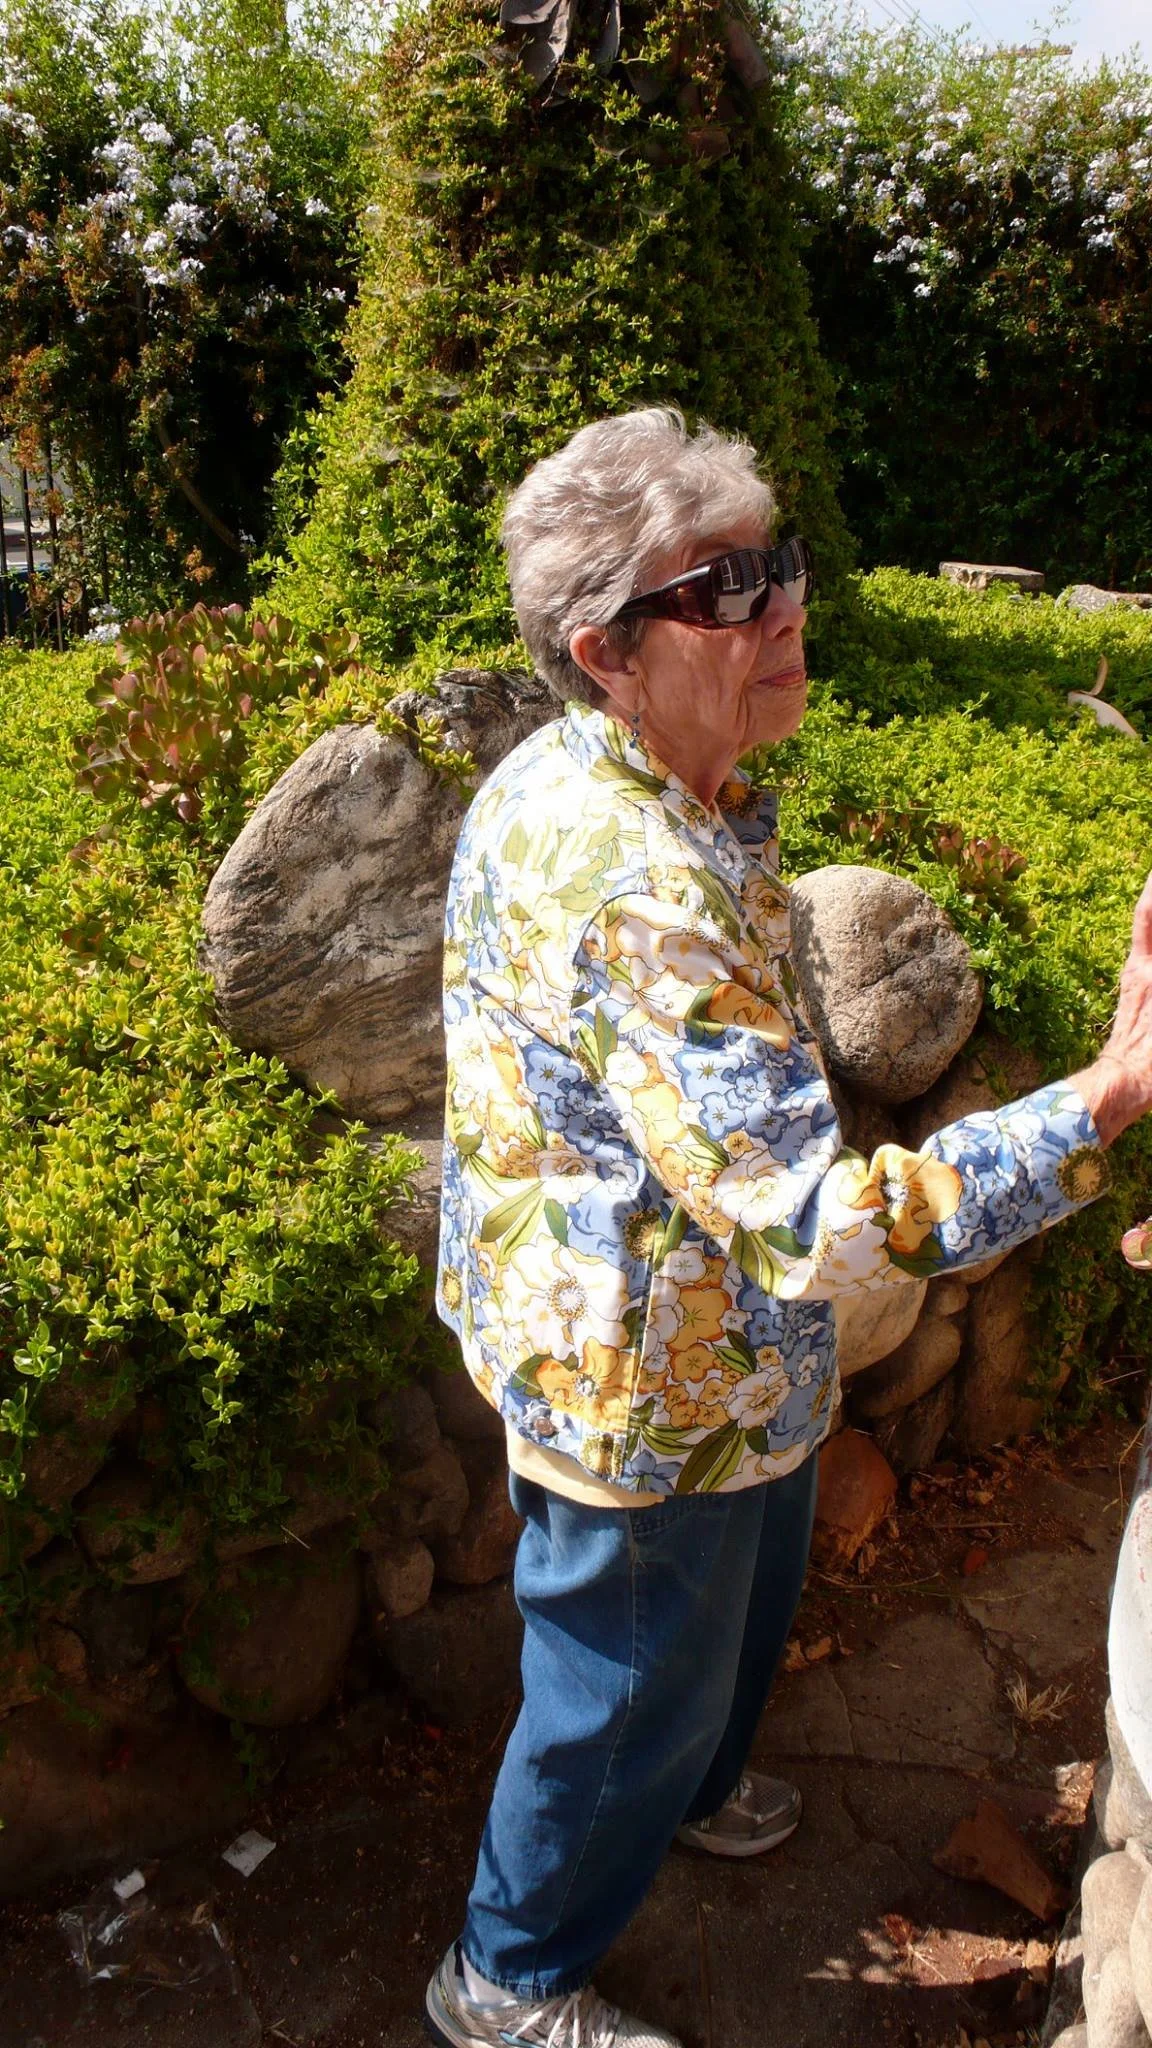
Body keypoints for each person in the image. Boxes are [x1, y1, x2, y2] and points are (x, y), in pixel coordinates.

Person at [427, 407, 1152, 2048]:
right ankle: (503, 1979)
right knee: (616, 1696)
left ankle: (683, 1786)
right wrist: (1104, 1096)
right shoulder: (631, 879)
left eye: (784, 564)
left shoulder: (642, 778)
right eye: (727, 591)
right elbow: (827, 1231)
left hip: (714, 1351)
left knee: (729, 1629)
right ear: (604, 650)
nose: (783, 610)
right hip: (640, 1381)